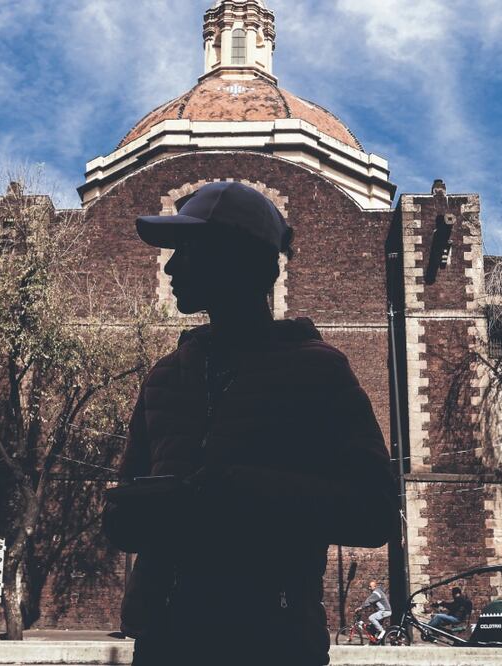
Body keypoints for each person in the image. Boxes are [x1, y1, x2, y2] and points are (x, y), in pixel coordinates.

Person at [102, 181, 400, 666]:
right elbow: (121, 518)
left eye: (187, 251)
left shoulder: (318, 370)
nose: (171, 266)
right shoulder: (165, 376)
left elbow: (375, 514)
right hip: (165, 641)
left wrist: (239, 489)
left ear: (234, 260)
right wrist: (138, 509)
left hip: (274, 642)